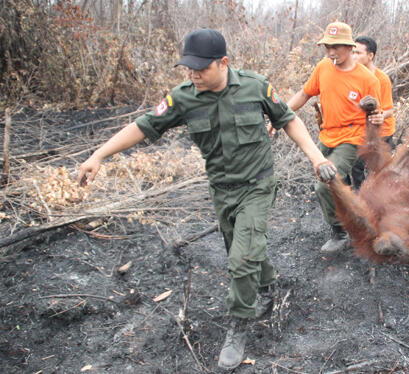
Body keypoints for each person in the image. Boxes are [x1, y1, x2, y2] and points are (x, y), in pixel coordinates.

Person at [76, 29, 336, 371]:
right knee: (243, 250)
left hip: (257, 186)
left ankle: (239, 325)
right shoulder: (183, 97)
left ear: (223, 62)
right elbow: (142, 126)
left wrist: (317, 159)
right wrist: (99, 155)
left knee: (242, 258)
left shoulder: (255, 86)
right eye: (188, 68)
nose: (193, 74)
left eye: (200, 68)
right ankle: (269, 287)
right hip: (221, 190)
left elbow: (288, 120)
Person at [286, 22, 382, 254]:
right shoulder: (323, 68)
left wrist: (374, 121)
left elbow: (376, 116)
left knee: (324, 184)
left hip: (351, 138)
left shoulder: (367, 79)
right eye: (327, 46)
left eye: (336, 47)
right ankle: (354, 216)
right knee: (340, 183)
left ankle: (339, 233)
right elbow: (304, 93)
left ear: (349, 47)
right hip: (326, 135)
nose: (330, 52)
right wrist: (280, 114)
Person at [351, 35, 396, 190]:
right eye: (353, 52)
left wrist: (379, 116)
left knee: (380, 172)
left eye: (358, 53)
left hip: (382, 132)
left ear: (370, 56)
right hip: (360, 132)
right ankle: (360, 202)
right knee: (356, 168)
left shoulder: (381, 79)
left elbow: (389, 109)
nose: (354, 56)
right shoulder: (352, 76)